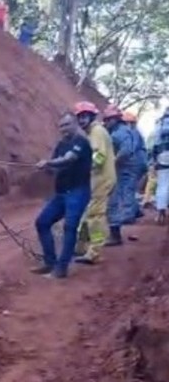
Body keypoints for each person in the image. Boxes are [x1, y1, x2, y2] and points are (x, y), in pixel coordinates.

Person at [31, 112, 93, 278]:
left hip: (78, 191)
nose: (63, 129)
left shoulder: (81, 142)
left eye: (66, 125)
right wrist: (46, 169)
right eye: (61, 126)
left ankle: (61, 268)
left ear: (75, 125)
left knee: (70, 227)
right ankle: (50, 262)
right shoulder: (60, 144)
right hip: (62, 193)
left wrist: (48, 163)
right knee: (42, 222)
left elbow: (69, 159)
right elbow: (55, 167)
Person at [73, 101, 115, 264]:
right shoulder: (93, 132)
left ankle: (95, 252)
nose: (82, 120)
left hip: (101, 180)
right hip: (97, 180)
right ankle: (81, 248)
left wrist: (84, 166)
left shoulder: (97, 132)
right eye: (80, 117)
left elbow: (99, 156)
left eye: (85, 116)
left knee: (95, 216)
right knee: (86, 214)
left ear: (91, 116)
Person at [99, 105, 139, 245]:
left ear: (115, 119)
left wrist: (113, 161)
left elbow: (126, 151)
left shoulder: (119, 132)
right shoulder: (121, 131)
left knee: (115, 200)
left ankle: (116, 234)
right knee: (119, 198)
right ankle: (119, 227)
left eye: (109, 120)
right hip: (125, 169)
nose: (107, 123)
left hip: (123, 169)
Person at [122, 111, 148, 221]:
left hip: (135, 164)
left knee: (128, 188)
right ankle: (136, 210)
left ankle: (129, 215)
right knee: (131, 187)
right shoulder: (136, 132)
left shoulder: (132, 133)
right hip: (140, 163)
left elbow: (130, 150)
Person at [151, 107, 169, 225]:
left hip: (163, 155)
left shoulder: (160, 123)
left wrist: (154, 159)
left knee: (163, 183)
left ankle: (160, 213)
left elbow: (156, 142)